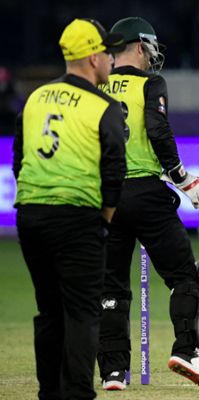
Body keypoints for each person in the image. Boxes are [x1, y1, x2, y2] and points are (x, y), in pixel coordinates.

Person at [96, 17, 199, 390]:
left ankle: (114, 372)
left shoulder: (95, 87)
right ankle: (186, 350)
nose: (152, 55)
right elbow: (157, 128)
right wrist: (181, 177)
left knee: (111, 287)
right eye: (149, 47)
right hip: (146, 194)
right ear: (137, 46)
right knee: (184, 275)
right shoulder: (151, 83)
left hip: (105, 197)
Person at [13, 18, 127, 399]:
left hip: (30, 215)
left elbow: (19, 158)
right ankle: (77, 395)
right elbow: (115, 170)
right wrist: (104, 220)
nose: (112, 59)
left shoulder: (34, 98)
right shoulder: (103, 106)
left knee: (49, 312)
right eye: (108, 53)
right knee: (82, 312)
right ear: (94, 57)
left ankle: (50, 394)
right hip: (77, 218)